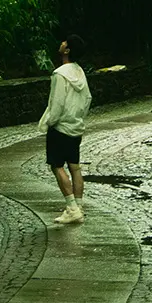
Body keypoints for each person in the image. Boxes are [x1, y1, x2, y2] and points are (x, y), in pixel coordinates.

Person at [37, 33, 91, 223]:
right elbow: (88, 99)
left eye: (64, 42)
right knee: (74, 167)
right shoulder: (80, 72)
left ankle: (71, 208)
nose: (61, 43)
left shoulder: (60, 74)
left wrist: (50, 122)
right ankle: (79, 205)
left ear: (67, 50)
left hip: (60, 128)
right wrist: (78, 117)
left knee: (57, 166)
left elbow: (57, 103)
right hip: (75, 126)